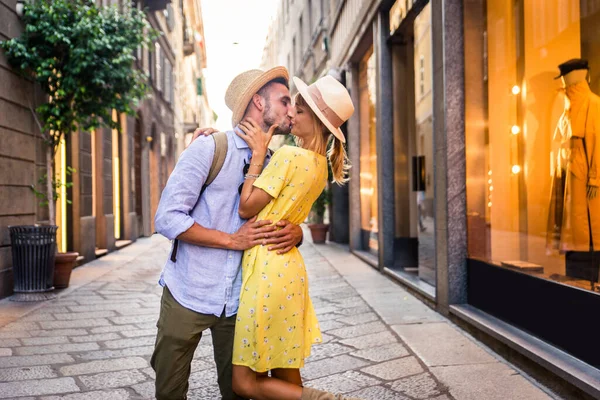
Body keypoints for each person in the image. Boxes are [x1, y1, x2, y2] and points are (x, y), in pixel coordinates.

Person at [151, 67, 305, 400]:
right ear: (258, 103)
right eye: (284, 101)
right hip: (188, 290)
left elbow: (283, 218)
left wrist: (297, 232)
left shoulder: (276, 162)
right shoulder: (210, 148)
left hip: (243, 299)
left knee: (239, 393)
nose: (292, 110)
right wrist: (230, 240)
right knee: (169, 390)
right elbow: (167, 218)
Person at [228, 75, 360, 400]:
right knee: (286, 371)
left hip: (267, 270)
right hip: (289, 271)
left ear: (314, 122)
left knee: (245, 382)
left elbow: (246, 208)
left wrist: (259, 154)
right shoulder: (319, 165)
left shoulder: (288, 157)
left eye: (298, 111)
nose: (290, 115)